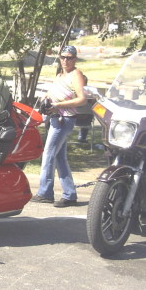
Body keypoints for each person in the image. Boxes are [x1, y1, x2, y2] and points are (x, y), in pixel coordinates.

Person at [31, 45, 86, 207]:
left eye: (69, 57)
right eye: (63, 57)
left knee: (48, 153)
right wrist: (46, 98)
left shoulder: (76, 74)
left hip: (65, 119)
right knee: (60, 157)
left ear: (75, 59)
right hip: (54, 118)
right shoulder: (60, 75)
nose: (65, 60)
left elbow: (82, 99)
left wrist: (59, 105)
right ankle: (70, 194)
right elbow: (53, 94)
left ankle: (45, 192)